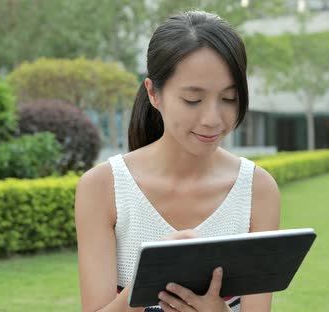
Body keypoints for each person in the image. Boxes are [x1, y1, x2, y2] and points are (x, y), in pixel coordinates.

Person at [75, 11, 280, 312]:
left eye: (229, 98)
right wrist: (154, 274)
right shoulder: (103, 187)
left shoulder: (257, 189)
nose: (212, 120)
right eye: (193, 100)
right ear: (153, 93)